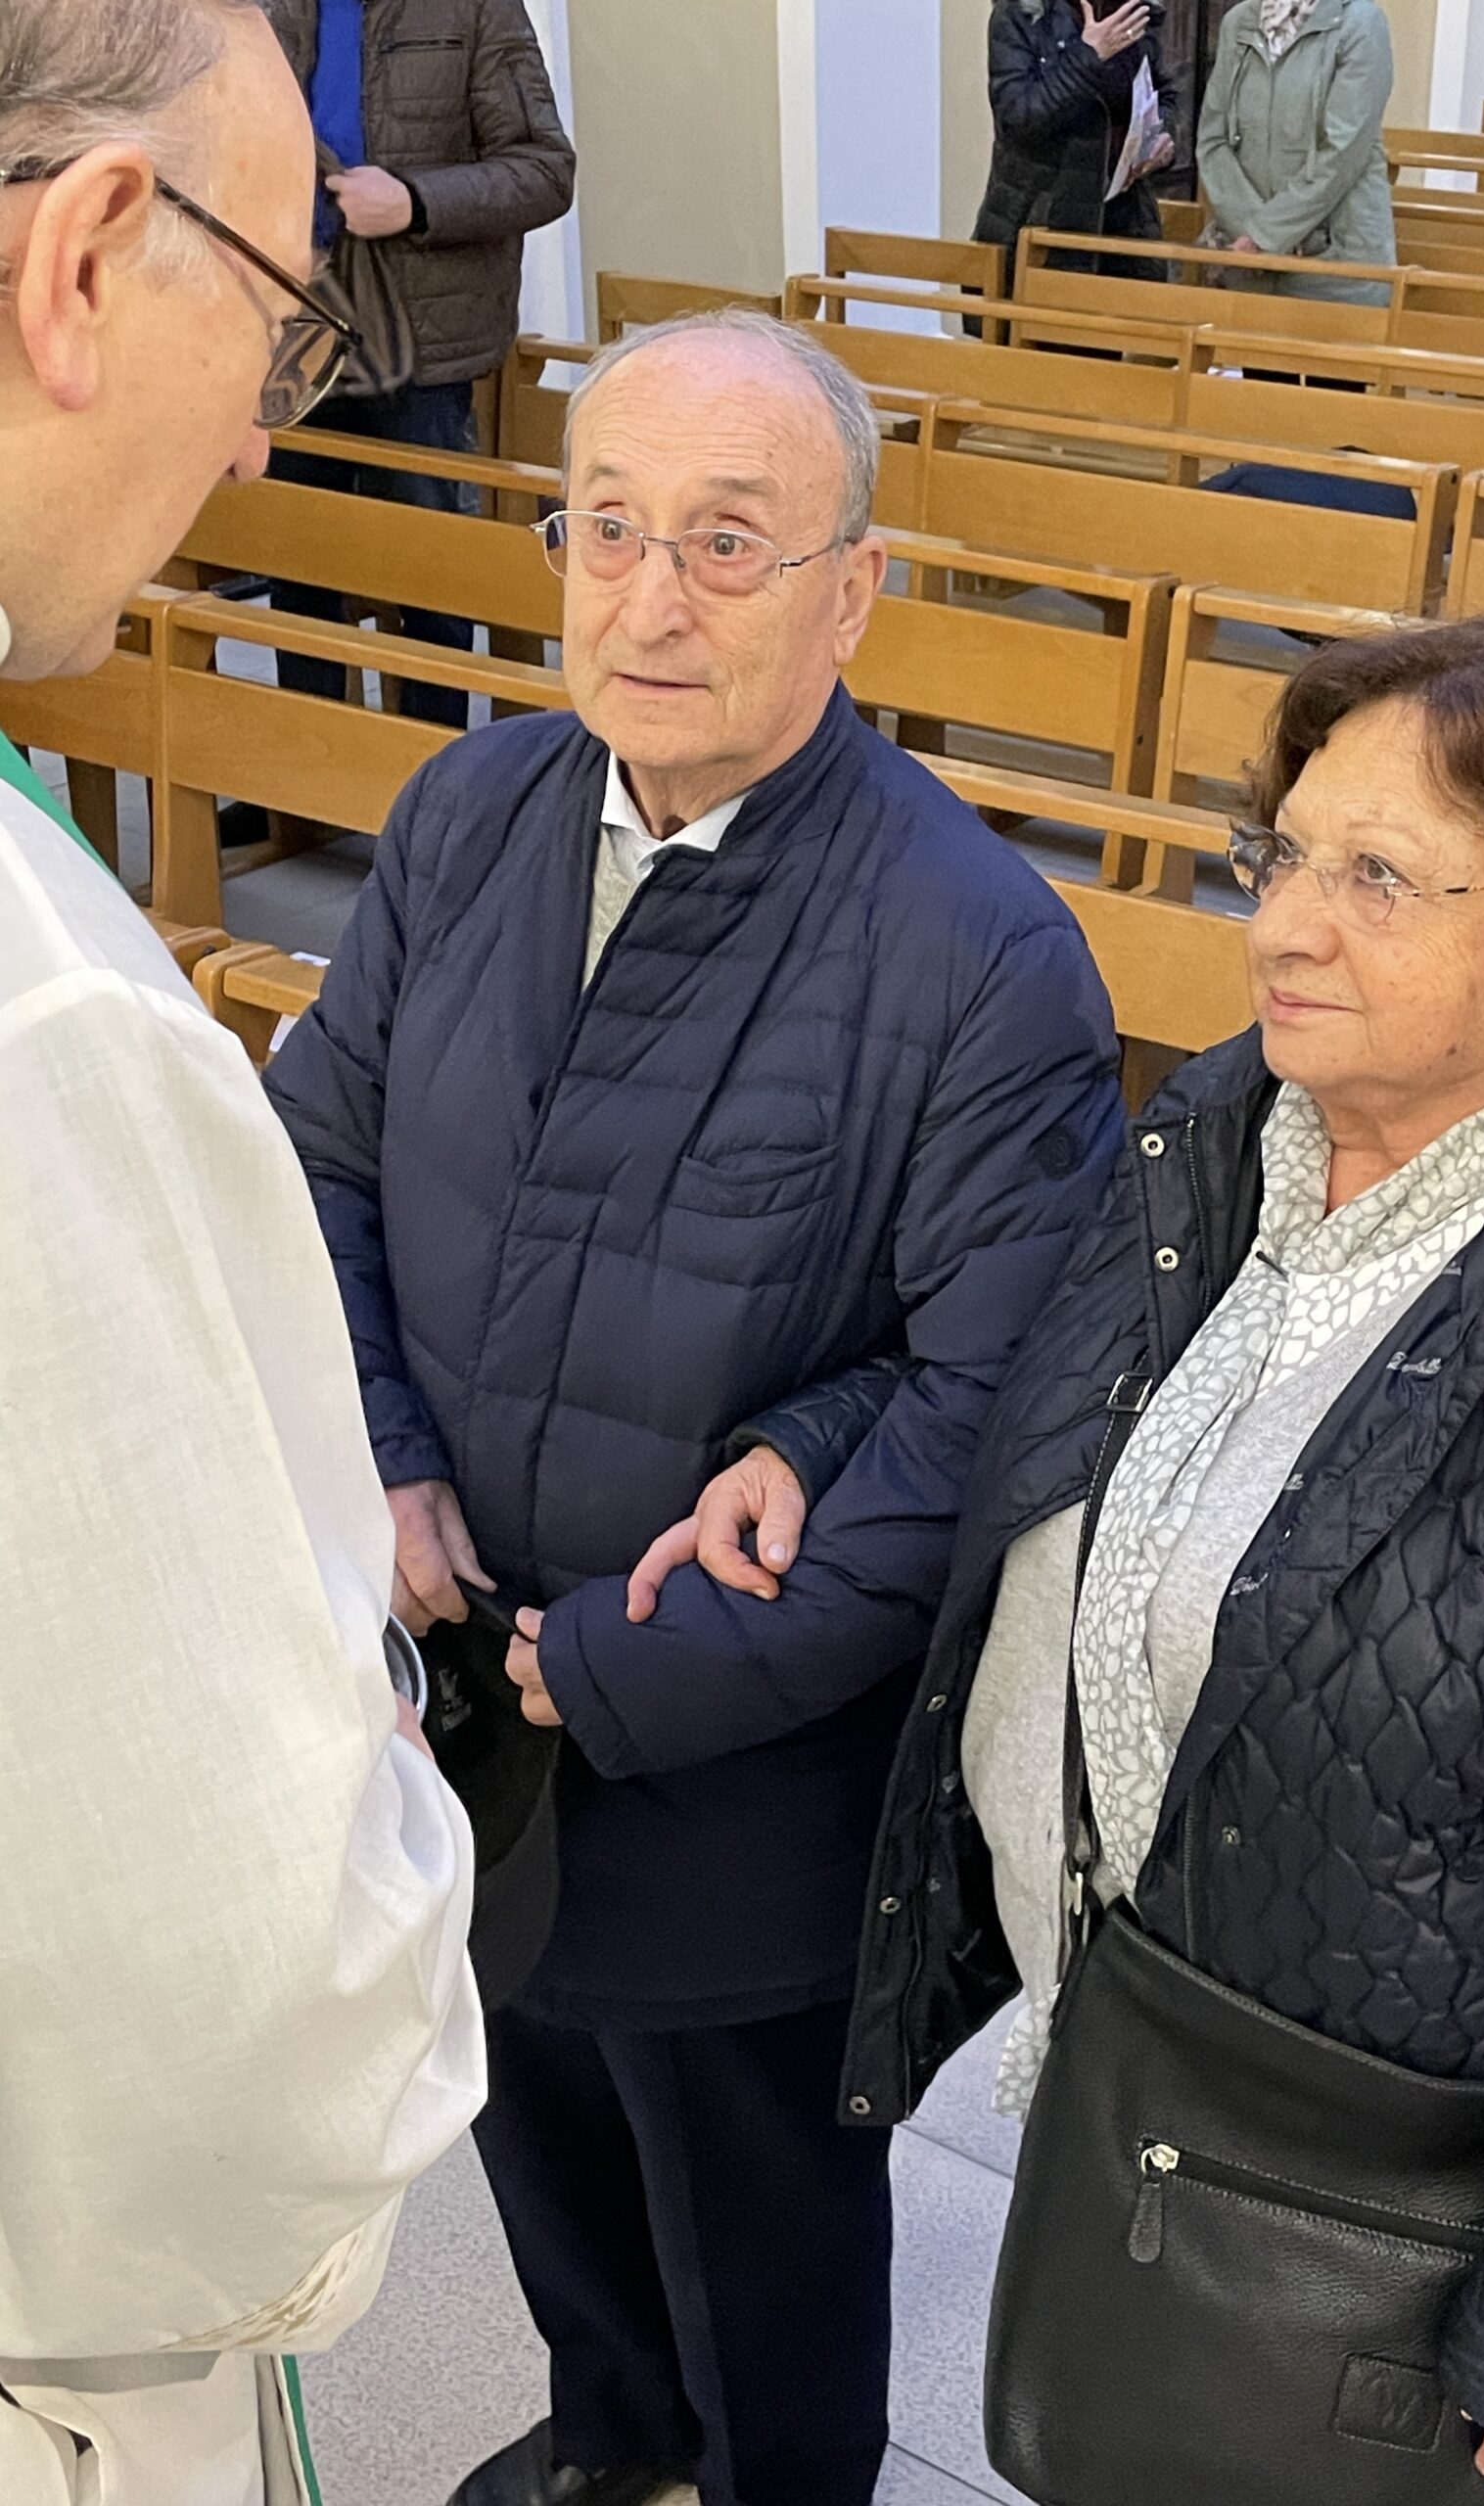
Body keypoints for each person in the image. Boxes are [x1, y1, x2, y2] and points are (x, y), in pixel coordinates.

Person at [653, 618, 1484, 2503]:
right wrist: (810, 1448)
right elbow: (1037, 1383)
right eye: (1283, 854)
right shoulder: (1224, 1149)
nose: (1283, 924)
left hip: (1376, 2201)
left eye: (1376, 877)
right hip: (1147, 2081)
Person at [263, 308, 1123, 2506]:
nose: (650, 600)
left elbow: (990, 1401)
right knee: (535, 2119)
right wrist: (385, 1457)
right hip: (462, 1681)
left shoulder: (977, 950)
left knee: (757, 2225)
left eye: (728, 542)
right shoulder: (471, 811)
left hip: (738, 1748)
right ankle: (615, 2434)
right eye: (609, 528)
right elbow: (322, 1162)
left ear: (854, 589)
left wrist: (648, 1658)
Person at [0, 5, 485, 2503]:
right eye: (276, 326)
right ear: (86, 255)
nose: (261, 443)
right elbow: (234, 2038)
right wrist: (375, 1787)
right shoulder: (49, 1024)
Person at [258, 0, 575, 729]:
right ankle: (305, 768)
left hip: (425, 347)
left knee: (430, 576)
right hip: (291, 326)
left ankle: (437, 764)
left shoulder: (475, 8)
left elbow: (545, 170)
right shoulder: (264, 9)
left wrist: (414, 201)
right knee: (298, 568)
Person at [1198, 0, 1396, 307]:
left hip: (1333, 267)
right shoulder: (1238, 22)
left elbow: (1343, 151)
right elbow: (1213, 140)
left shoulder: (1360, 24)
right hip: (1245, 262)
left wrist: (1268, 234)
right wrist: (1251, 232)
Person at [974, 0, 1177, 291]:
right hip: (1041, 225)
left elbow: (1166, 94)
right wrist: (1089, 56)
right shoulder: (1021, 13)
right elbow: (1017, 118)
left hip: (1126, 228)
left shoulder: (1137, 10)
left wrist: (1162, 137)